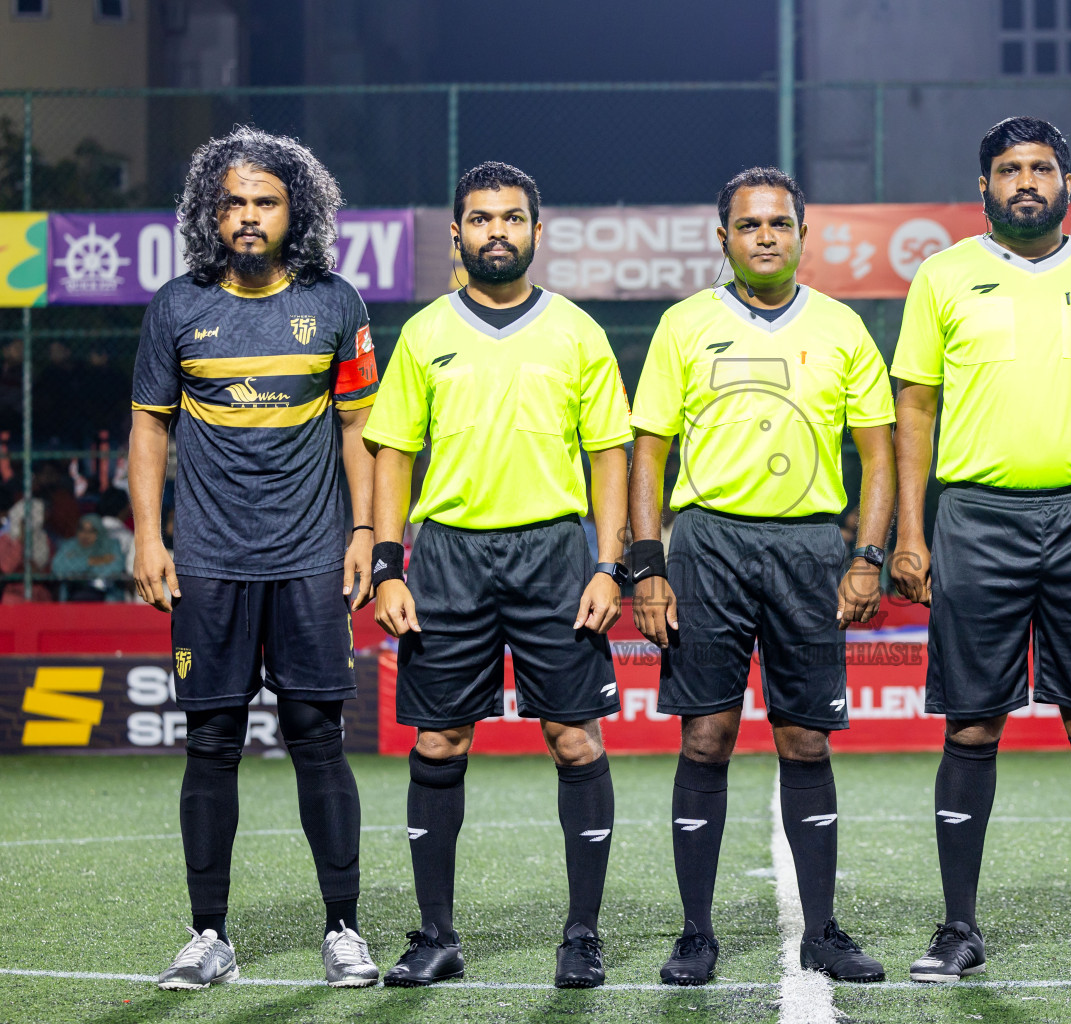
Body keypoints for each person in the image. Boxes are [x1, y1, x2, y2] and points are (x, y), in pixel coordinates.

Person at [890, 116, 1071, 982]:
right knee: (972, 722)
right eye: (1009, 169)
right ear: (983, 186)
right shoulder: (941, 278)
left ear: (1066, 183)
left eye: (1041, 168)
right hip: (975, 517)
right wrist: (910, 530)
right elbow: (914, 410)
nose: (1025, 181)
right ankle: (958, 928)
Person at [366, 162, 633, 989]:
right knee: (440, 739)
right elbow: (394, 454)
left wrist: (608, 564)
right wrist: (387, 566)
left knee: (573, 738)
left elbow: (609, 455)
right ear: (456, 234)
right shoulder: (423, 334)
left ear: (536, 233)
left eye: (512, 219)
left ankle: (581, 935)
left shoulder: (577, 333)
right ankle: (437, 935)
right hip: (447, 557)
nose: (496, 232)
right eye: (480, 219)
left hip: (556, 556)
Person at [629, 167, 896, 986]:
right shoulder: (683, 326)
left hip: (811, 546)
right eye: (749, 226)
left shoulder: (844, 327)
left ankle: (822, 931)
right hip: (707, 542)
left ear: (803, 236)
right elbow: (648, 450)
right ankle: (696, 934)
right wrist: (649, 564)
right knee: (705, 736)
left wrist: (868, 554)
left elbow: (881, 451)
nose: (766, 236)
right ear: (725, 239)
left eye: (780, 223)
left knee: (803, 737)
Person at [129, 126, 381, 990]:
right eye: (232, 201)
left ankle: (344, 929)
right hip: (207, 559)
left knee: (318, 738)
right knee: (211, 741)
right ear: (210, 211)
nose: (247, 216)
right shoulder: (176, 306)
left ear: (294, 211)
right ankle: (210, 935)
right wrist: (149, 535)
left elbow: (358, 429)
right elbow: (148, 427)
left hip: (311, 557)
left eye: (264, 201)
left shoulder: (337, 303)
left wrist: (363, 535)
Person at [50, 513, 125, 601]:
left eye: (91, 531)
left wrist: (77, 569)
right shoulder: (70, 546)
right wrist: (92, 561)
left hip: (105, 592)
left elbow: (116, 568)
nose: (86, 535)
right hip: (74, 592)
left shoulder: (111, 546)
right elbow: (57, 567)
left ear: (99, 532)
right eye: (82, 530)